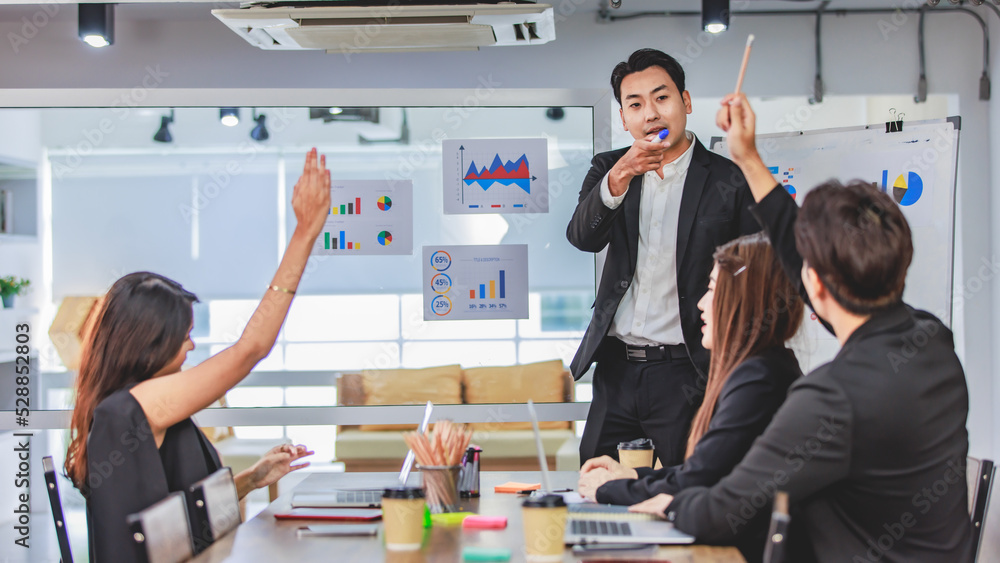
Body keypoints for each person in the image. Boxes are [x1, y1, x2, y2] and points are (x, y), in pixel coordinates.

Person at [627, 95, 974, 562]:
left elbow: (723, 511)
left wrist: (670, 500)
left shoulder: (832, 398)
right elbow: (805, 261)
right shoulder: (932, 341)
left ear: (815, 284)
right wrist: (747, 158)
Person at [65, 149, 331, 561]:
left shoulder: (121, 407)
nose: (191, 345)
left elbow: (175, 516)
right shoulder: (136, 406)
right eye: (185, 336)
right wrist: (304, 234)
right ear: (148, 342)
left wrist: (252, 479)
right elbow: (250, 350)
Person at [567, 48, 760, 468]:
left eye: (662, 98)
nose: (650, 113)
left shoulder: (728, 179)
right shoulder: (608, 167)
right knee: (594, 480)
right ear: (624, 119)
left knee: (683, 489)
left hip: (688, 369)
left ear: (685, 103)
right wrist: (621, 175)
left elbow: (753, 271)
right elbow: (583, 237)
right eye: (635, 105)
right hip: (616, 365)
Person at [578, 232, 803, 562]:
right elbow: (700, 469)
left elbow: (699, 479)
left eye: (711, 289)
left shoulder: (759, 379)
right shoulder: (763, 368)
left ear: (743, 298)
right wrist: (631, 476)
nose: (701, 303)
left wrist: (607, 490)